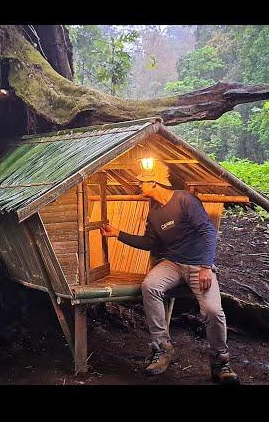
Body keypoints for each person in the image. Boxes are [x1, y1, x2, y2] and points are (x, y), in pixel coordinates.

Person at [100, 159, 239, 384]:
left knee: (213, 311)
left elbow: (207, 232)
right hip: (173, 263)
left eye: (141, 182)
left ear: (154, 183)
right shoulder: (153, 212)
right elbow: (148, 242)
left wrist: (205, 266)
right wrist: (118, 234)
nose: (138, 186)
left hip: (198, 265)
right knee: (150, 286)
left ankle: (220, 363)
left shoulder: (184, 200)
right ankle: (162, 347)